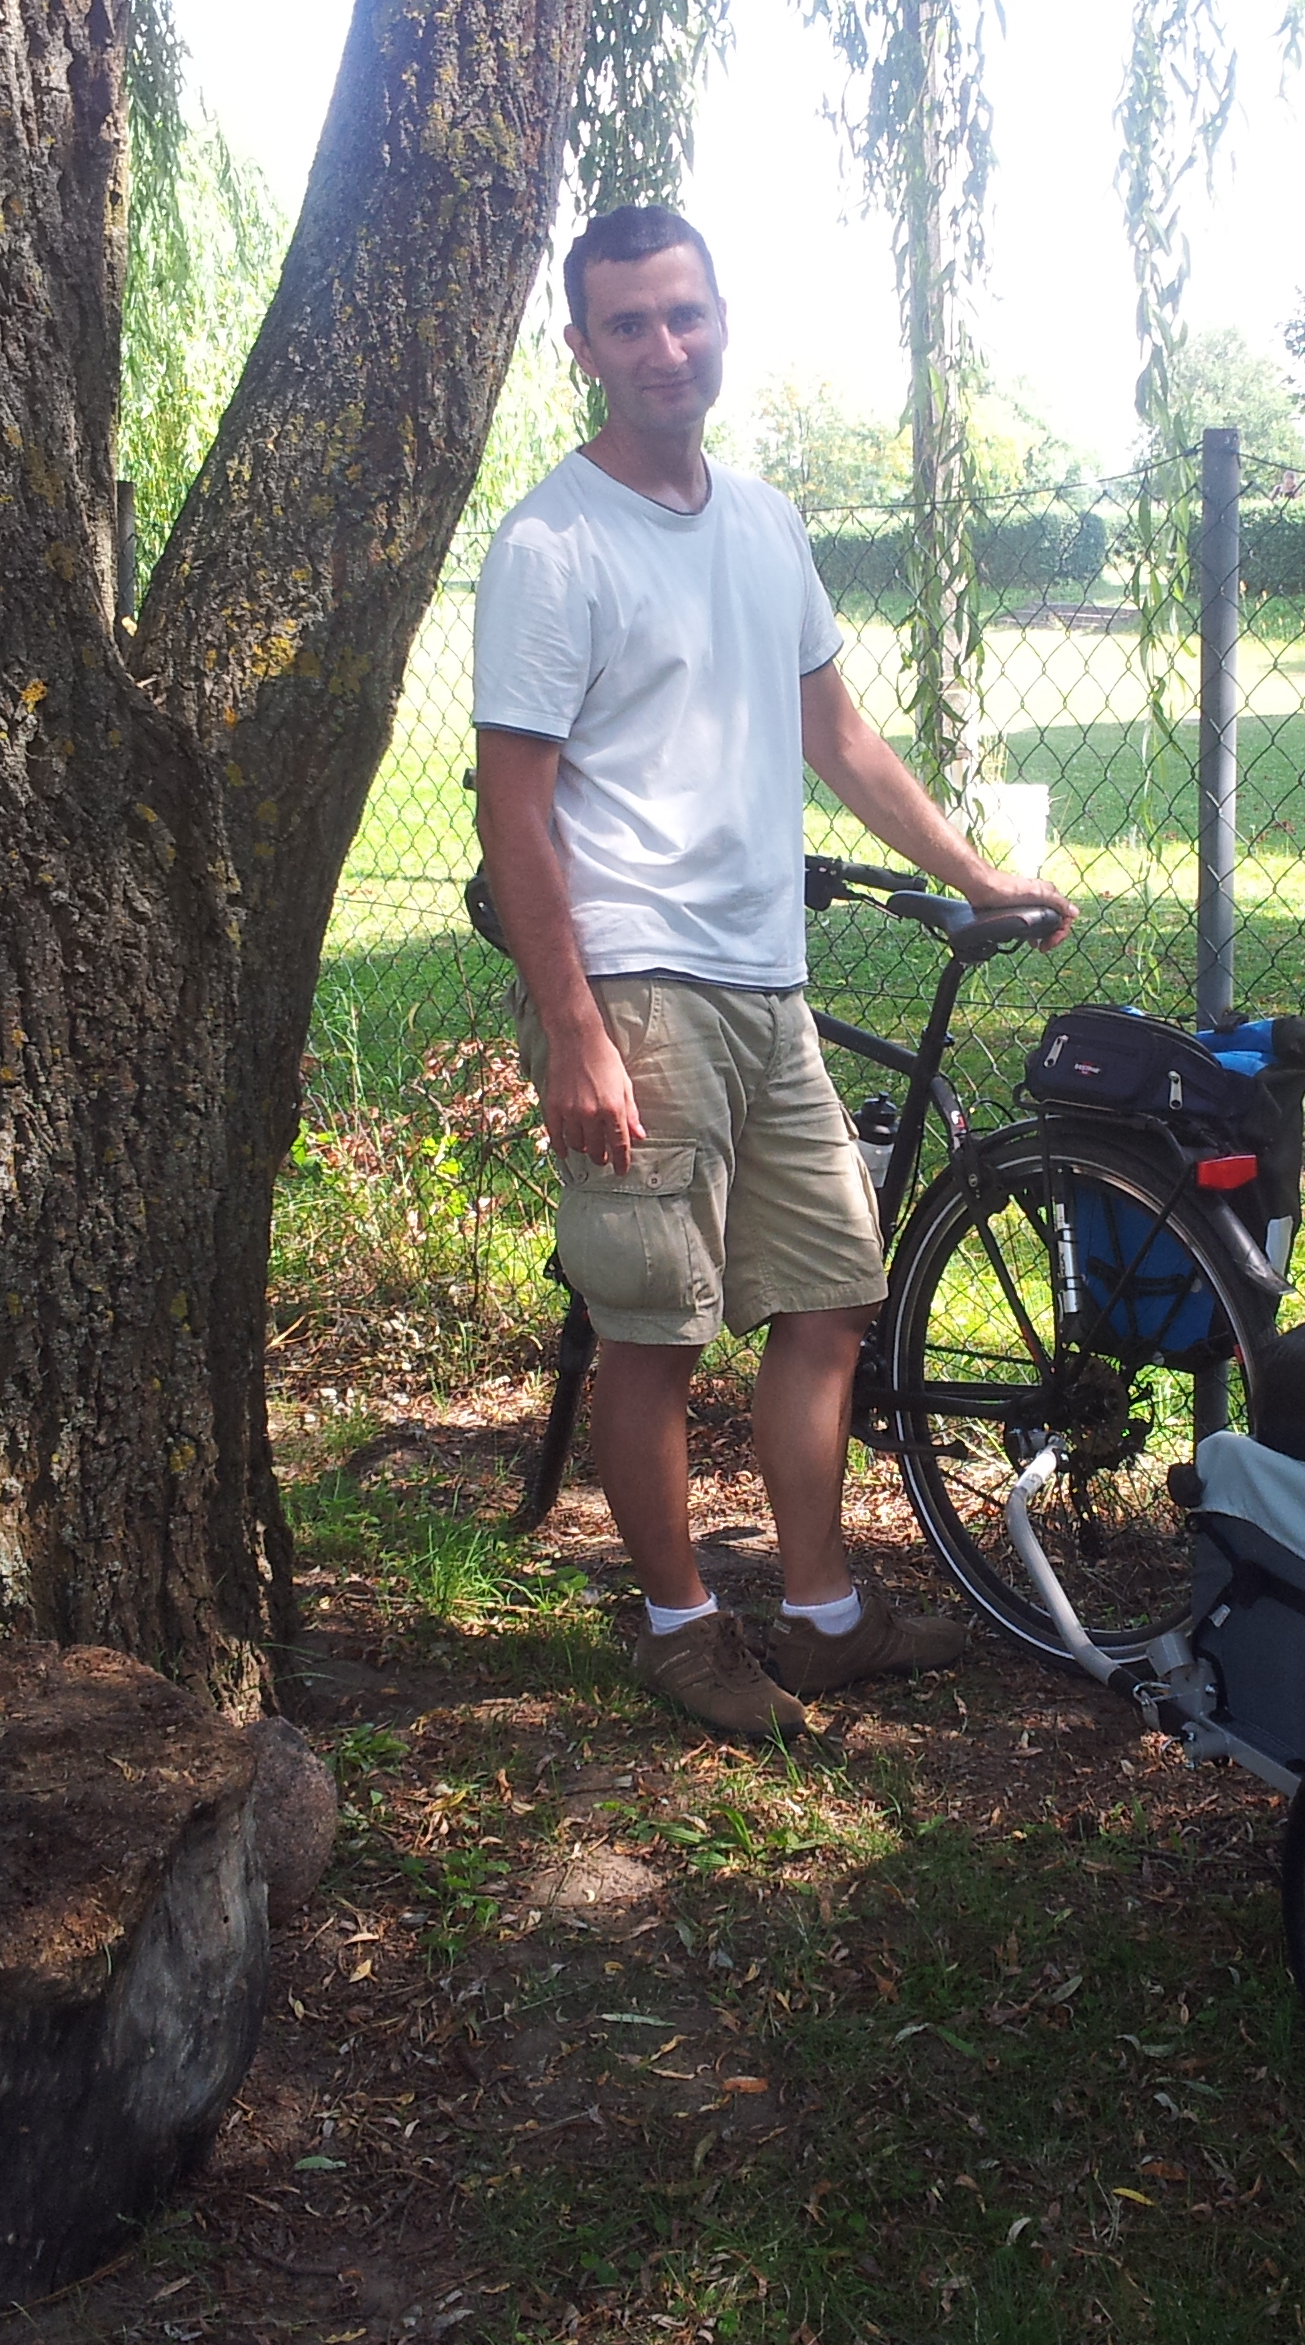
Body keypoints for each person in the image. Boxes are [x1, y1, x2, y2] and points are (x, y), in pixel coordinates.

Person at [472, 203, 1075, 1739]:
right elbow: (512, 805)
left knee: (828, 1301)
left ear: (722, 315)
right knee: (653, 1326)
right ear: (583, 349)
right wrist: (576, 1032)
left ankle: (819, 1616)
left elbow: (840, 738)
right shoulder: (552, 544)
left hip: (764, 979)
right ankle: (679, 1625)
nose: (663, 348)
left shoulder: (765, 521)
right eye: (627, 325)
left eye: (684, 314)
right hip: (641, 986)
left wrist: (979, 874)